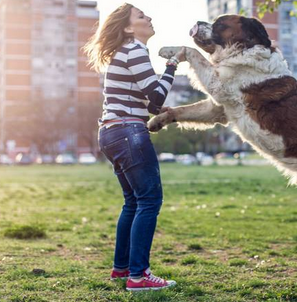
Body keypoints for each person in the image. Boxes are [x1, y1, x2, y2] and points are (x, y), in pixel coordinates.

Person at [83, 3, 185, 291]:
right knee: (149, 201)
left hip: (111, 132)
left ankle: (122, 268)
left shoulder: (124, 51)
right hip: (129, 132)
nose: (149, 18)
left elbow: (146, 99)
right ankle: (138, 276)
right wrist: (173, 65)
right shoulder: (134, 49)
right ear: (128, 27)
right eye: (141, 16)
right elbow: (154, 99)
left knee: (133, 202)